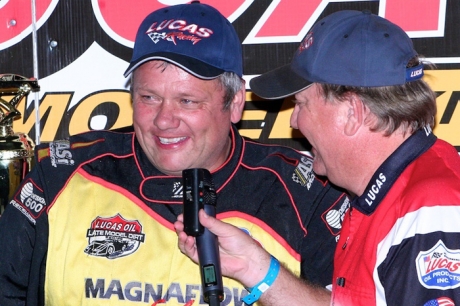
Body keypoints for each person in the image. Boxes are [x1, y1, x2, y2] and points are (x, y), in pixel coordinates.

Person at [0, 2, 348, 305]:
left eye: (187, 101)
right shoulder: (63, 173)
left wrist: (266, 275)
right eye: (149, 98)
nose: (164, 121)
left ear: (236, 102)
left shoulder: (305, 193)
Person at [175, 9, 460, 306]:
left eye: (301, 104)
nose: (294, 121)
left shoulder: (430, 209)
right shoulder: (391, 194)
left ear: (352, 112)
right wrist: (254, 266)